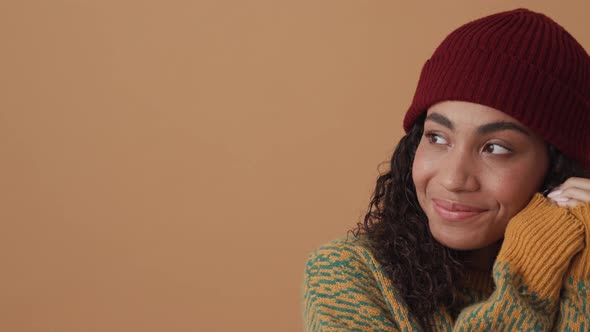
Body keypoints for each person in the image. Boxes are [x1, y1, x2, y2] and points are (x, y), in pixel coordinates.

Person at [302, 8, 590, 331]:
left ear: (558, 166)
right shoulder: (348, 274)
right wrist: (531, 270)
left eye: (495, 148)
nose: (454, 179)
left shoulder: (584, 273)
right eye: (437, 137)